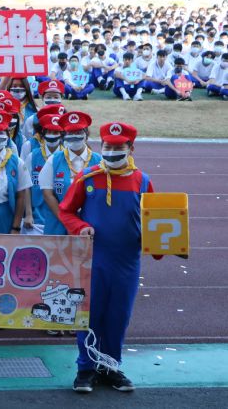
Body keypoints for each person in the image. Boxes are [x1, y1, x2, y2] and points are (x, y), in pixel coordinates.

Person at [59, 122, 154, 394]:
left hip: (127, 261)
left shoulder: (142, 181)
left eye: (118, 148)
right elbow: (66, 211)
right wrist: (80, 227)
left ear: (131, 149)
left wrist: (162, 245)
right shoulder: (86, 177)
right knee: (89, 315)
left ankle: (110, 367)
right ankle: (86, 369)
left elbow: (156, 223)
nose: (112, 152)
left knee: (118, 315)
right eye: (108, 147)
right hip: (92, 259)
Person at [39, 111, 100, 236]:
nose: (74, 136)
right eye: (70, 133)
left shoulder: (99, 161)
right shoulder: (54, 160)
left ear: (86, 134)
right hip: (58, 223)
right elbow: (47, 194)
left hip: (91, 224)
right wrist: (68, 222)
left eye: (78, 132)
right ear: (64, 135)